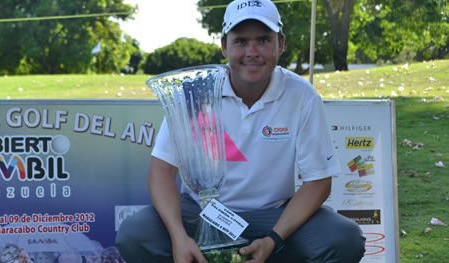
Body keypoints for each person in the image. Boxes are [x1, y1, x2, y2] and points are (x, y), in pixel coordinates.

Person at [116, 0, 366, 262]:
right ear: (224, 46)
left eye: (263, 40)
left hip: (272, 215)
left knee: (343, 238)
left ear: (280, 44)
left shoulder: (302, 96)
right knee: (135, 234)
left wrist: (273, 239)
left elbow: (318, 181)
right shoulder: (195, 93)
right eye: (241, 41)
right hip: (200, 212)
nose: (252, 51)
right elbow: (161, 171)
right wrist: (179, 237)